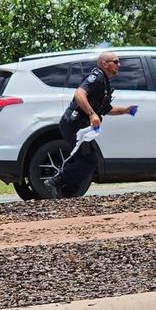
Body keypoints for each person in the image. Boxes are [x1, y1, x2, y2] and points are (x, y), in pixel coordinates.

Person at [43, 51, 135, 199]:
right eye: (116, 62)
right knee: (88, 159)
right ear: (104, 64)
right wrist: (91, 113)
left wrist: (125, 110)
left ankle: (65, 192)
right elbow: (79, 94)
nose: (119, 65)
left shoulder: (104, 82)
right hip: (73, 123)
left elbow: (106, 109)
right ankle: (57, 182)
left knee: (87, 159)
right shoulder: (96, 77)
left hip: (80, 126)